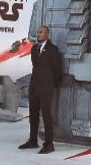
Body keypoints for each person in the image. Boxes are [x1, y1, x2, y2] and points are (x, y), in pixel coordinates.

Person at [18, 25, 62, 154]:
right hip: (34, 88)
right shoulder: (34, 49)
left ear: (47, 34)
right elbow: (35, 67)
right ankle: (33, 141)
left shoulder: (53, 50)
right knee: (33, 115)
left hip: (46, 89)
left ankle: (49, 144)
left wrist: (52, 86)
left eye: (41, 32)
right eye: (38, 32)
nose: (38, 34)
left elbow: (57, 71)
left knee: (47, 116)